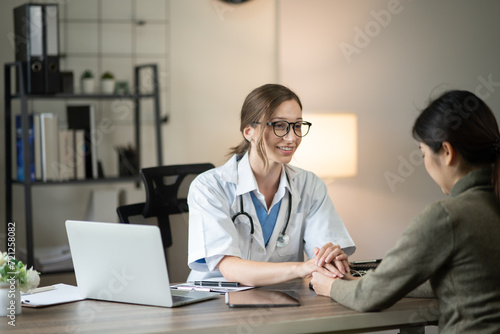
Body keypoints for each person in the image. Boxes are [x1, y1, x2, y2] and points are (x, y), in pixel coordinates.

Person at [311, 90, 500, 333]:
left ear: (446, 152)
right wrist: (360, 281)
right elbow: (456, 281)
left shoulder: (447, 215)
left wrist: (328, 286)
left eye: (423, 154)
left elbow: (368, 298)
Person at [187, 83, 356, 287]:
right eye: (279, 125)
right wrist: (301, 268)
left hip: (282, 298)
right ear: (249, 131)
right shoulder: (209, 187)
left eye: (297, 125)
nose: (292, 137)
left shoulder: (310, 185)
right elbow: (230, 268)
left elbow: (321, 260)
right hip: (215, 300)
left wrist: (330, 259)